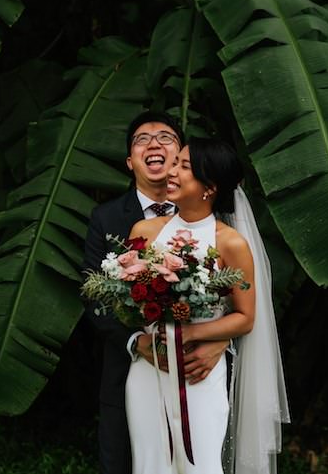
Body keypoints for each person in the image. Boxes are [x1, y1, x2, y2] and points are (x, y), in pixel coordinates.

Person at [125, 137, 289, 474]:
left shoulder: (230, 243)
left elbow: (245, 317)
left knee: (199, 465)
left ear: (208, 188)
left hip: (197, 370)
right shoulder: (144, 231)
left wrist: (190, 332)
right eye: (176, 162)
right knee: (149, 464)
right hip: (148, 369)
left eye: (184, 167)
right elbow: (126, 300)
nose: (171, 171)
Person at [83, 112, 229, 474]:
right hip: (134, 369)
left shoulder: (217, 216)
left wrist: (220, 343)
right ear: (130, 161)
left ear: (183, 157)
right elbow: (95, 297)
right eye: (141, 139)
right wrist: (138, 342)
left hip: (200, 368)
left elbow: (241, 293)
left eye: (166, 137)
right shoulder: (108, 218)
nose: (153, 143)